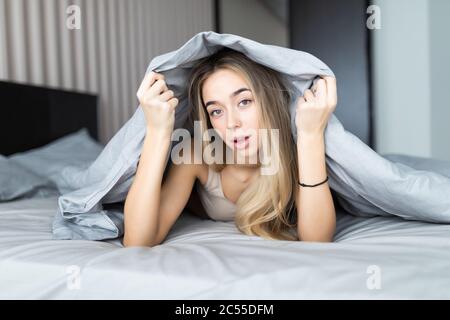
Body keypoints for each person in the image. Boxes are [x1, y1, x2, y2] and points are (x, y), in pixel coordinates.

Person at [123, 48, 337, 247]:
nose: (231, 123)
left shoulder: (295, 154)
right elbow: (137, 241)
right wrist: (157, 131)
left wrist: (311, 135)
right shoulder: (196, 153)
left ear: (270, 101)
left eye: (244, 102)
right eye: (216, 111)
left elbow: (317, 240)